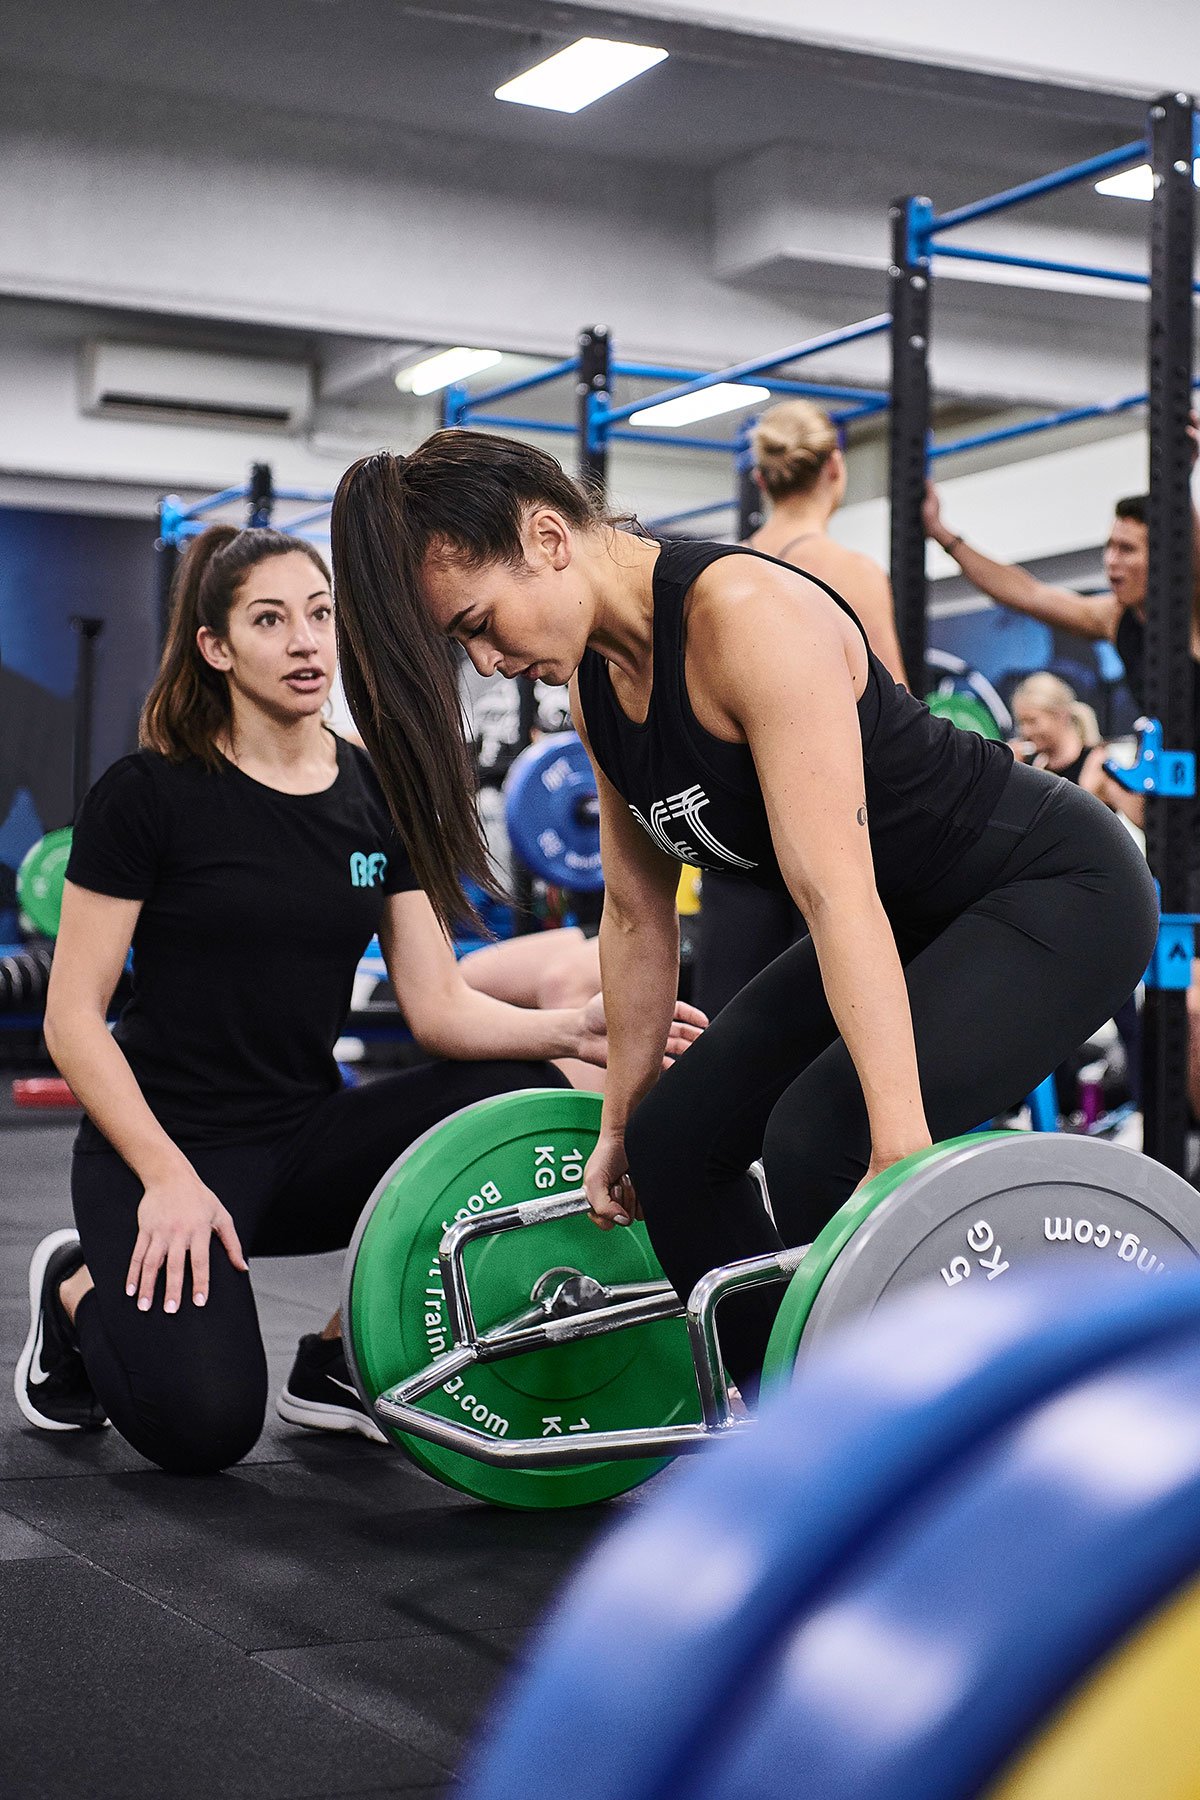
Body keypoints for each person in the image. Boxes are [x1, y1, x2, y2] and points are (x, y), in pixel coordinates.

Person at [328, 430, 1158, 1394]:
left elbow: (832, 891)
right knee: (672, 1146)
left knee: (822, 1142)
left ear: (549, 537)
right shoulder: (603, 686)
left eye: (480, 622)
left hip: (1052, 891)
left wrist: (896, 1154)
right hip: (908, 912)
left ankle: (902, 1438)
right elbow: (635, 918)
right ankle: (787, 1417)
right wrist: (619, 1120)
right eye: (462, 642)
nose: (486, 658)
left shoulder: (747, 616)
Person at [13, 524, 704, 1470]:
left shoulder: (374, 789)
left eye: (319, 615)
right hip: (163, 1151)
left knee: (519, 1081)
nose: (305, 641)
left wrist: (580, 1027)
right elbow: (71, 1021)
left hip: (301, 1140)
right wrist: (168, 1179)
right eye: (270, 620)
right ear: (216, 648)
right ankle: (76, 1291)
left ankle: (337, 1357)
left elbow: (438, 1007)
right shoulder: (148, 793)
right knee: (203, 1430)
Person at [924, 477, 1200, 1113]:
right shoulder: (1116, 619)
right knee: (1169, 1010)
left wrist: (1183, 472)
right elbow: (1026, 591)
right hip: (1176, 842)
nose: (1111, 561)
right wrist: (946, 538)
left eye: (1129, 549)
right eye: (1109, 546)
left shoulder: (1188, 616)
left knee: (1187, 1005)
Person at [696, 398, 909, 1015]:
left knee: (730, 1034)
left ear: (761, 479)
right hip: (827, 841)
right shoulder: (851, 572)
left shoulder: (720, 574)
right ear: (834, 470)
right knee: (818, 1037)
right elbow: (892, 720)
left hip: (737, 839)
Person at [1007, 672, 1101, 784]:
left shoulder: (1099, 764)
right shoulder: (1033, 765)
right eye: (1021, 723)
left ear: (1061, 715)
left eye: (1032, 721)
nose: (1025, 731)